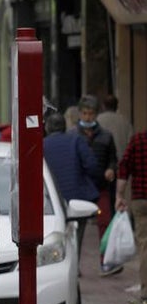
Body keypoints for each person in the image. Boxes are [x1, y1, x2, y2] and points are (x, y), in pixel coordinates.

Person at [43, 112, 101, 267]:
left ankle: (59, 263)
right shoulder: (76, 140)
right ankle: (74, 264)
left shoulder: (42, 144)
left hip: (51, 199)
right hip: (77, 198)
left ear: (47, 128)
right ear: (64, 126)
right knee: (77, 234)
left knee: (56, 232)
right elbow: (92, 166)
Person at [70, 95, 119, 273]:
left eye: (91, 114)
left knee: (105, 223)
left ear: (96, 114)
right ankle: (74, 265)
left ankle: (105, 261)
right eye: (84, 113)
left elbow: (113, 159)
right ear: (80, 114)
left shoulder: (106, 136)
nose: (88, 117)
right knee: (76, 228)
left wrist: (111, 169)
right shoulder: (73, 135)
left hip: (101, 187)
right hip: (80, 188)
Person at [116, 127, 147, 300]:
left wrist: (119, 195)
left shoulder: (138, 139)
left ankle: (146, 291)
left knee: (144, 245)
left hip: (140, 199)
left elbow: (124, 166)